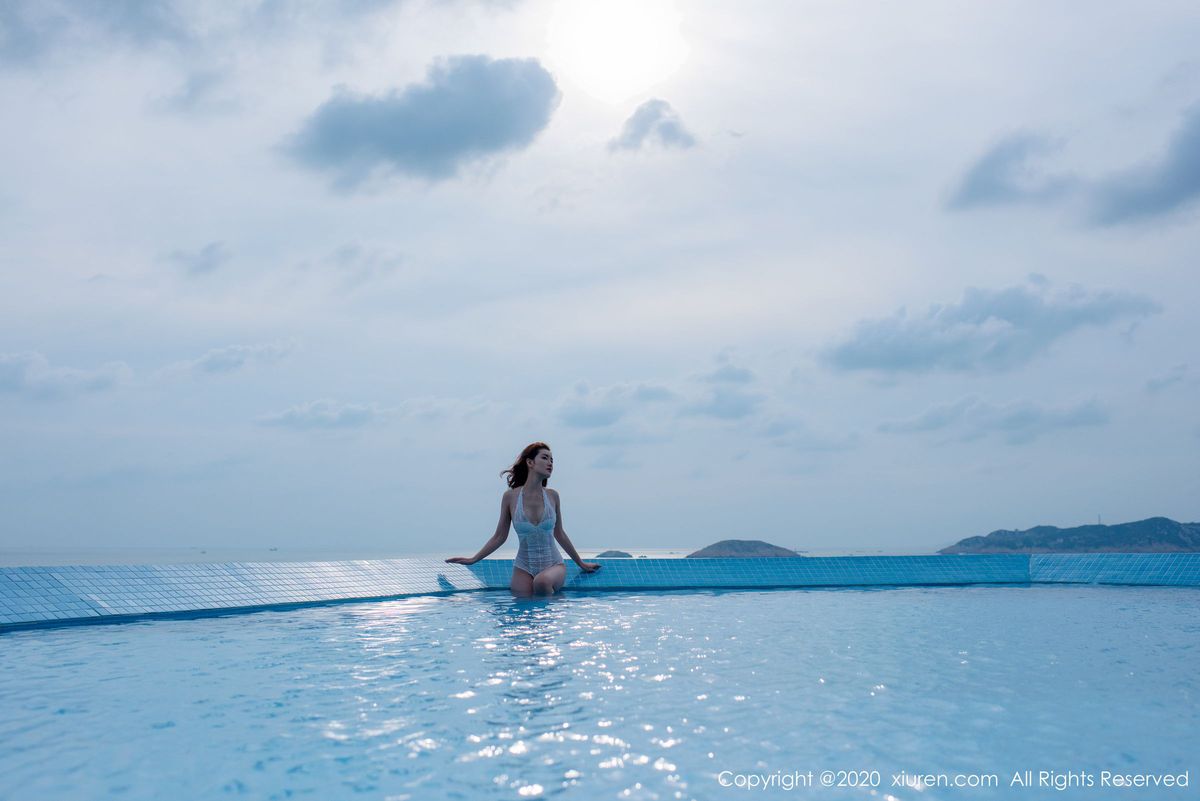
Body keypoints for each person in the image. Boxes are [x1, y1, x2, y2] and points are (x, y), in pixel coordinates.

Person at [446, 442, 601, 596]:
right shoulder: (510, 497)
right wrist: (474, 559)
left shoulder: (553, 496)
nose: (550, 463)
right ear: (530, 462)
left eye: (552, 460)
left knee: (542, 582)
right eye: (545, 458)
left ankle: (555, 610)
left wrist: (581, 563)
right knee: (520, 604)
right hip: (523, 566)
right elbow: (500, 536)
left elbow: (559, 533)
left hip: (553, 565)